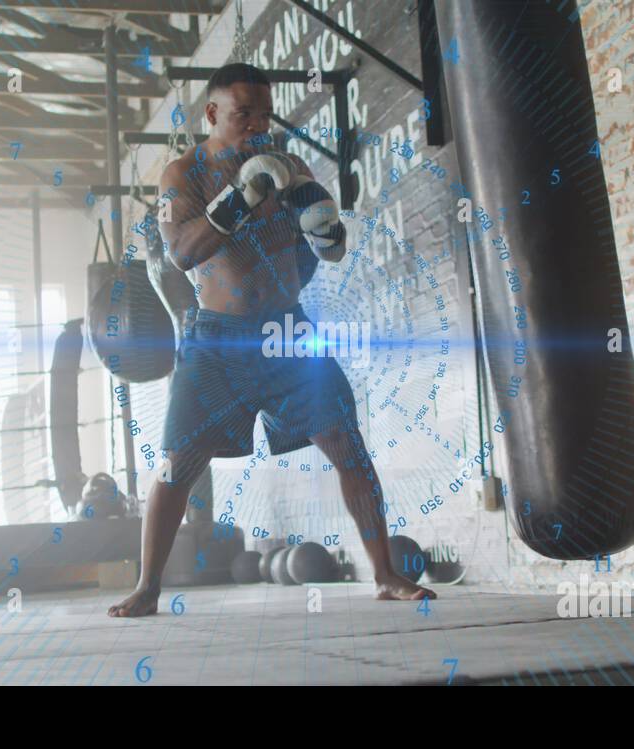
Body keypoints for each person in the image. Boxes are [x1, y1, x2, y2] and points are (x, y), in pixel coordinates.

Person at [108, 62, 436, 617]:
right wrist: (240, 195)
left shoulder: (289, 164)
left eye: (265, 112)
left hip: (289, 331)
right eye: (244, 114)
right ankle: (147, 587)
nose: (258, 124)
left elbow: (318, 247)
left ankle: (384, 574)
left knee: (347, 446)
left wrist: (327, 238)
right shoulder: (180, 175)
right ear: (212, 113)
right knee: (178, 464)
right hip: (218, 340)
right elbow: (181, 253)